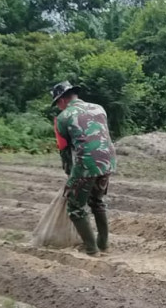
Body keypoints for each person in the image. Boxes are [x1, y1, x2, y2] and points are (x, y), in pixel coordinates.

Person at [50, 81, 117, 256]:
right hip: (108, 160)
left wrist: (70, 175)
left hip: (87, 163)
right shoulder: (99, 108)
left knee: (75, 207)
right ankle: (103, 244)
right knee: (97, 201)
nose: (58, 106)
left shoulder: (63, 118)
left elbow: (65, 151)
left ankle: (92, 250)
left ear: (62, 100)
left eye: (57, 102)